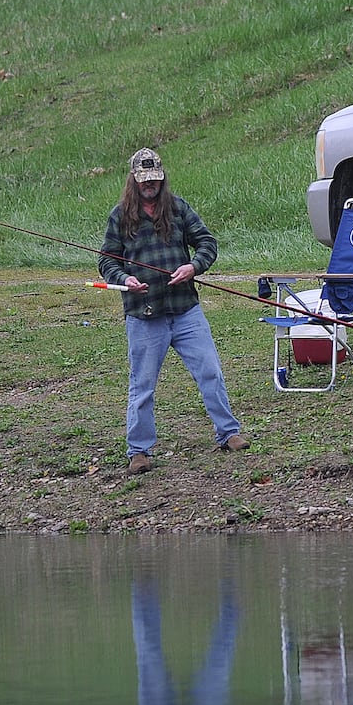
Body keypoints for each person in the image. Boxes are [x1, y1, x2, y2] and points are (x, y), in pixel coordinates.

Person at [100, 147, 247, 474]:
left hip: (185, 310)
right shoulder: (120, 215)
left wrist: (193, 267)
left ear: (162, 177)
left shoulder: (178, 208)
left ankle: (229, 433)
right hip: (143, 313)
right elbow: (106, 260)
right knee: (143, 385)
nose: (150, 185)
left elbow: (207, 242)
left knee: (210, 370)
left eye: (154, 179)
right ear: (134, 181)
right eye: (143, 180)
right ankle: (138, 450)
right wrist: (125, 278)